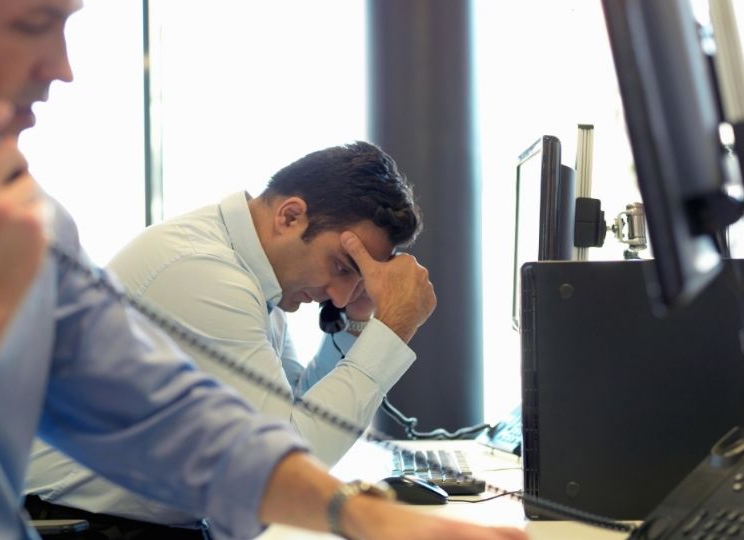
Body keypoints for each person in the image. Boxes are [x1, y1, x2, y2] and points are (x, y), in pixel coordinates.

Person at [0, 1, 529, 539]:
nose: (63, 68)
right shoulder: (173, 267)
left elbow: (168, 418)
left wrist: (367, 517)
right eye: (33, 24)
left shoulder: (28, 222)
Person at [26, 142, 436, 531]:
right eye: (343, 265)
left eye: (358, 278)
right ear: (290, 217)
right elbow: (296, 458)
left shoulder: (252, 274)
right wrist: (393, 328)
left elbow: (294, 408)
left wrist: (356, 326)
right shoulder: (204, 273)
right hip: (81, 527)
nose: (343, 295)